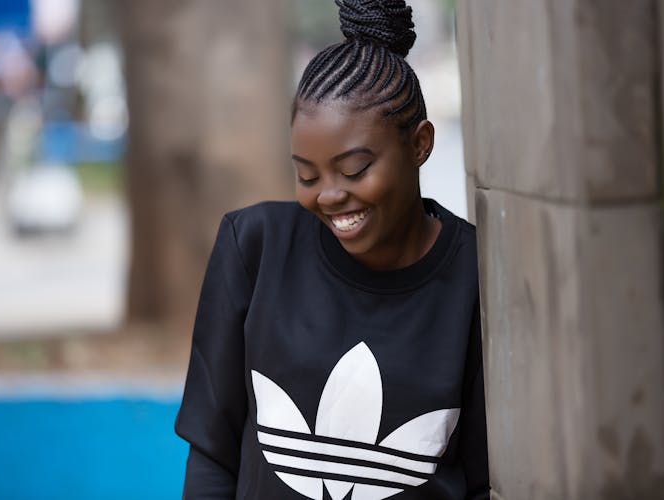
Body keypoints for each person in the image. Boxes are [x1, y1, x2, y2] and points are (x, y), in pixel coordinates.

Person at [175, 0, 489, 498]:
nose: (328, 195)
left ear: (420, 145)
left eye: (354, 169)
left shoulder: (476, 276)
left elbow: (480, 479)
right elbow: (213, 451)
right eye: (306, 174)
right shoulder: (254, 248)